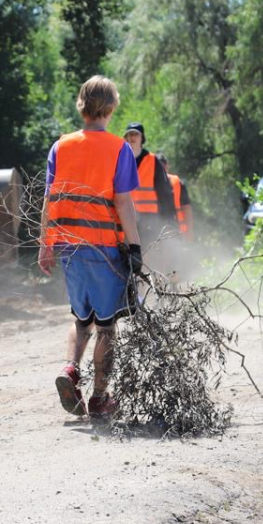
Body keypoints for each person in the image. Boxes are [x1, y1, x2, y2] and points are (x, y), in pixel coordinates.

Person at [38, 77, 143, 420]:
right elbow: (124, 203)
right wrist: (135, 246)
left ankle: (70, 370)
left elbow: (48, 199)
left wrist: (45, 245)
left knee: (81, 318)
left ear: (81, 105)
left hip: (69, 246)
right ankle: (99, 397)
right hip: (103, 248)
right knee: (107, 326)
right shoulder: (118, 149)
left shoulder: (61, 146)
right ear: (111, 108)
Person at [123, 122, 177, 250]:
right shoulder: (120, 159)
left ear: (142, 138)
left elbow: (164, 192)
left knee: (149, 253)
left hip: (150, 218)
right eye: (129, 134)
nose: (132, 137)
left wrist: (168, 219)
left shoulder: (153, 161)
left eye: (136, 134)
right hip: (126, 216)